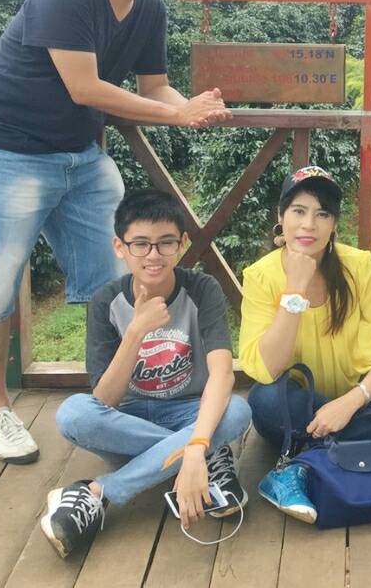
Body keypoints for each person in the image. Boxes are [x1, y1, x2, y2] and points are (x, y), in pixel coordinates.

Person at [0, 0, 230, 464]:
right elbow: (85, 87)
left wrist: (196, 106)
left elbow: (155, 88)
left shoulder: (149, 10)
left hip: (79, 154)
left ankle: (127, 393)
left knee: (125, 269)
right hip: (3, 146)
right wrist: (178, 114)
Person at [41, 188, 251, 559]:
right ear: (119, 247)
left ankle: (98, 491)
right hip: (129, 418)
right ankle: (204, 457)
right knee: (73, 413)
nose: (153, 255)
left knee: (237, 410)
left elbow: (222, 374)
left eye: (165, 243)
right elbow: (104, 400)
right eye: (140, 244)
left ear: (181, 244)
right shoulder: (106, 301)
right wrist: (136, 331)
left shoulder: (202, 289)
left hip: (190, 411)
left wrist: (194, 445)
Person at [238, 165, 371, 525]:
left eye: (322, 214)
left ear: (333, 223)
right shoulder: (261, 276)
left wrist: (352, 401)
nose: (308, 225)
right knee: (266, 399)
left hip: (356, 400)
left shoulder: (358, 266)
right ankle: (356, 446)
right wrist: (295, 289)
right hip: (299, 407)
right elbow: (268, 367)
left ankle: (301, 464)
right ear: (280, 216)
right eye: (298, 211)